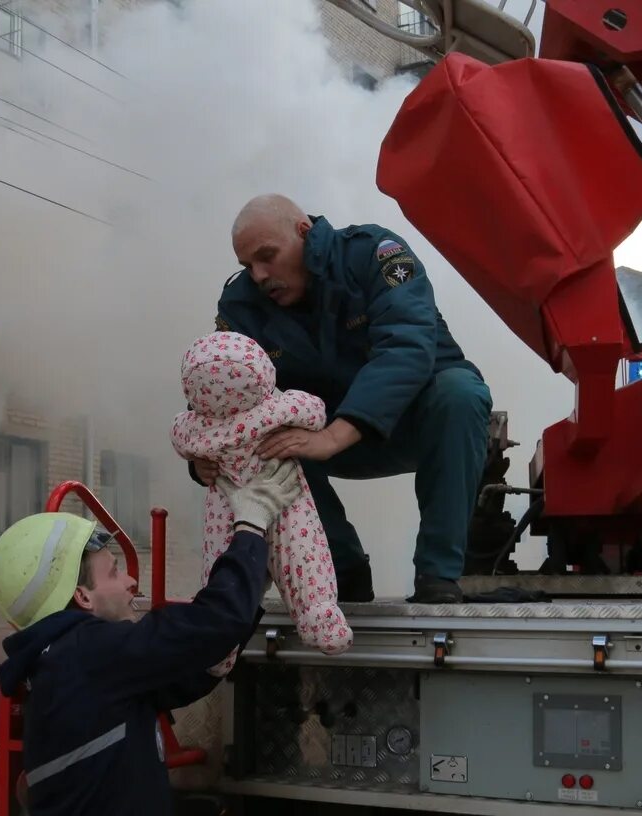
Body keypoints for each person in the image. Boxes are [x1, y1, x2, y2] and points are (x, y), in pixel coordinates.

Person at [190, 193, 493, 604]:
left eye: (267, 256)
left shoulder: (376, 254)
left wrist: (335, 435)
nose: (259, 275)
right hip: (321, 440)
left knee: (460, 392)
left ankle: (438, 576)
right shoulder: (242, 305)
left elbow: (407, 348)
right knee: (262, 436)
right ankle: (341, 570)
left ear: (304, 232)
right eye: (248, 266)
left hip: (415, 425)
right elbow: (221, 385)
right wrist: (204, 454)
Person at [0, 460, 301, 816]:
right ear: (82, 597)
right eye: (115, 572)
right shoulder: (90, 652)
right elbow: (214, 622)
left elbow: (155, 692)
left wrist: (211, 661)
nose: (131, 581)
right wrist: (251, 527)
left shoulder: (66, 661)